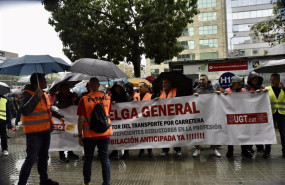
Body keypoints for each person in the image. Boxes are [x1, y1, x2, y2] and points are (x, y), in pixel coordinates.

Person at [18, 73, 64, 185]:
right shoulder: (25, 93)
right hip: (34, 133)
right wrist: (36, 96)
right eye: (44, 80)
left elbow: (47, 108)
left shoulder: (42, 93)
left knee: (44, 158)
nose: (46, 82)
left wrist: (58, 115)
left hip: (45, 131)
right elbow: (25, 110)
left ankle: (44, 180)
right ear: (37, 82)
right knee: (31, 159)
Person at [77, 77, 112, 185]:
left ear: (89, 86)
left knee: (88, 159)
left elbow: (81, 119)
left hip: (90, 135)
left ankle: (87, 182)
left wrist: (79, 135)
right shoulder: (107, 98)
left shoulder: (84, 99)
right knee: (105, 158)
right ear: (98, 86)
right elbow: (107, 114)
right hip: (105, 133)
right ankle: (106, 182)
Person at [192, 74, 221, 158]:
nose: (201, 81)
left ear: (207, 80)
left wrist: (220, 94)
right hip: (200, 114)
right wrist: (194, 96)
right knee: (198, 131)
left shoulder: (213, 89)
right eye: (200, 80)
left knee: (212, 131)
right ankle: (197, 149)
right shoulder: (196, 90)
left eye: (203, 79)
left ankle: (214, 149)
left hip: (211, 114)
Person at [224, 76, 253, 159]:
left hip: (242, 115)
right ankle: (230, 150)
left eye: (240, 82)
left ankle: (244, 150)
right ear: (234, 83)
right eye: (238, 82)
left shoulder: (244, 91)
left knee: (243, 133)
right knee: (231, 133)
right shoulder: (227, 91)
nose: (240, 84)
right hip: (231, 115)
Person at [154, 77, 182, 157]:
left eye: (166, 82)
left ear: (170, 83)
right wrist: (156, 99)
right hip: (163, 118)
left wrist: (176, 99)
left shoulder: (176, 91)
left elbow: (183, 101)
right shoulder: (160, 92)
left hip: (174, 117)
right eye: (163, 83)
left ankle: (178, 150)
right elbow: (155, 102)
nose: (164, 84)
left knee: (175, 133)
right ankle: (165, 150)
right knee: (164, 134)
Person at [55, 83, 79, 163]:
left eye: (68, 88)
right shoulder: (58, 96)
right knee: (62, 137)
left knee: (70, 136)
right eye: (66, 88)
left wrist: (77, 97)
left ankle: (70, 152)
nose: (68, 90)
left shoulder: (71, 94)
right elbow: (59, 106)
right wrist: (70, 101)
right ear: (61, 89)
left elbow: (77, 104)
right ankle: (61, 155)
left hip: (71, 120)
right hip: (62, 121)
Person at [109, 82, 132, 159]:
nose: (116, 89)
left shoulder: (126, 96)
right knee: (115, 135)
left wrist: (118, 103)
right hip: (116, 120)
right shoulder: (113, 95)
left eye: (118, 87)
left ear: (121, 88)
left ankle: (126, 152)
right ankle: (115, 151)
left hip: (125, 120)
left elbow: (128, 105)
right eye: (115, 87)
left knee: (125, 136)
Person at [264, 73, 285, 159]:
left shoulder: (283, 89)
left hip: (282, 114)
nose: (272, 81)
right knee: (269, 133)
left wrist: (284, 88)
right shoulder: (267, 89)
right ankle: (267, 151)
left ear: (279, 80)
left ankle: (284, 151)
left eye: (275, 79)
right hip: (271, 114)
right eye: (271, 79)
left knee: (284, 134)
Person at [245, 71, 265, 153]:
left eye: (256, 78)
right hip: (249, 112)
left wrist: (263, 92)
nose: (255, 80)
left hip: (258, 112)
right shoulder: (246, 88)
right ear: (250, 79)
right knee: (250, 131)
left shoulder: (261, 87)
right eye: (253, 78)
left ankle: (260, 146)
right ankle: (249, 147)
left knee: (259, 130)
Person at [133, 82, 153, 158]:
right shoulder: (135, 96)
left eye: (141, 87)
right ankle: (141, 151)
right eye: (139, 87)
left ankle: (149, 151)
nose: (139, 88)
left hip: (147, 120)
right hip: (138, 120)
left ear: (146, 88)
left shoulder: (150, 96)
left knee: (147, 136)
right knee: (140, 135)